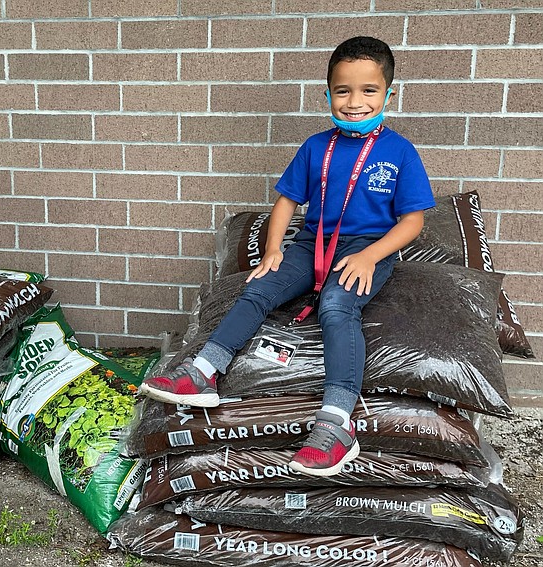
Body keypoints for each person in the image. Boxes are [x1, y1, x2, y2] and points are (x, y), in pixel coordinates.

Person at [139, 37, 435, 477]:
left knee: (337, 305)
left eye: (368, 90)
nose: (355, 102)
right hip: (310, 243)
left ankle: (336, 424)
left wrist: (372, 255)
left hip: (367, 248)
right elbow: (285, 203)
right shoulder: (316, 146)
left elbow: (413, 223)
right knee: (258, 288)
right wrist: (274, 249)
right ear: (327, 93)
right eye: (343, 91)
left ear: (389, 94)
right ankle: (201, 372)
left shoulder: (400, 152)